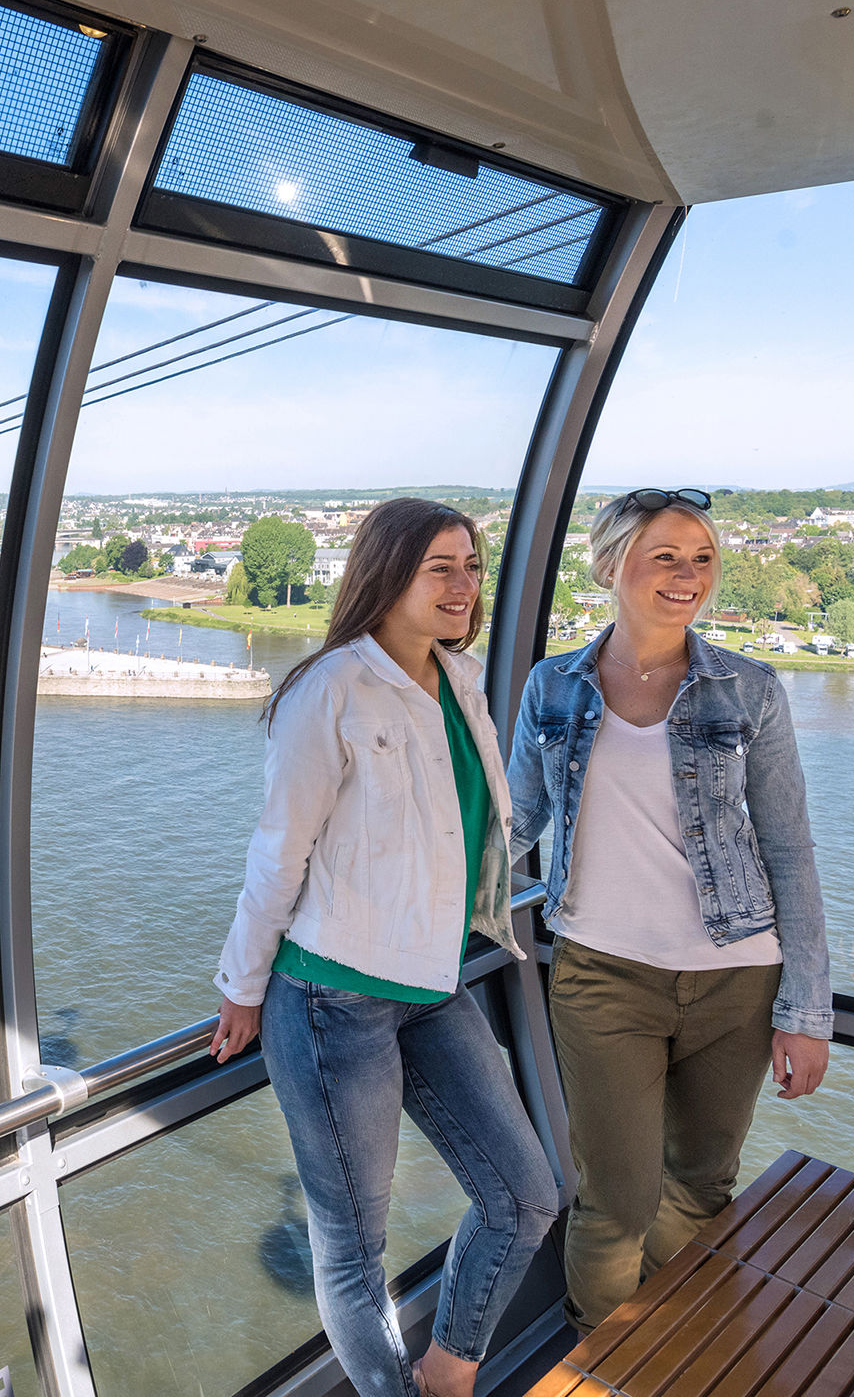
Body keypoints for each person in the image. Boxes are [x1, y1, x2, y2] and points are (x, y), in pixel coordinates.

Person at [211, 498, 559, 1397]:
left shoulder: (464, 680)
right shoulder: (328, 690)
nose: (464, 584)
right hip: (332, 1001)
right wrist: (242, 986)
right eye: (439, 566)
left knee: (525, 1196)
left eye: (473, 565)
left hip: (434, 983)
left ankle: (447, 1373)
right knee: (354, 1251)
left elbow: (465, 830)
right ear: (386, 573)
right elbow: (278, 851)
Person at [506, 489, 832, 1333]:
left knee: (699, 1185)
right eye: (666, 556)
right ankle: (601, 1365)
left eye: (703, 558)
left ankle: (665, 1351)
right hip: (602, 976)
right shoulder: (553, 686)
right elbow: (511, 828)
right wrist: (399, 901)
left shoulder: (749, 690)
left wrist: (806, 1010)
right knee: (615, 1199)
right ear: (612, 565)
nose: (689, 575)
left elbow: (790, 851)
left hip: (736, 978)